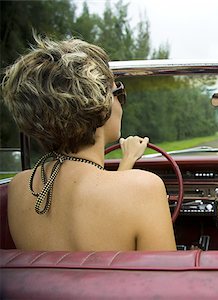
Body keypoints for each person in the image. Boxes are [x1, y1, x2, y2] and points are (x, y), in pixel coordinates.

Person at [1, 36, 176, 251]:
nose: (120, 103)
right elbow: (164, 282)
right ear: (101, 104)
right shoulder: (145, 189)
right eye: (118, 93)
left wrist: (127, 161)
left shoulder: (20, 187)